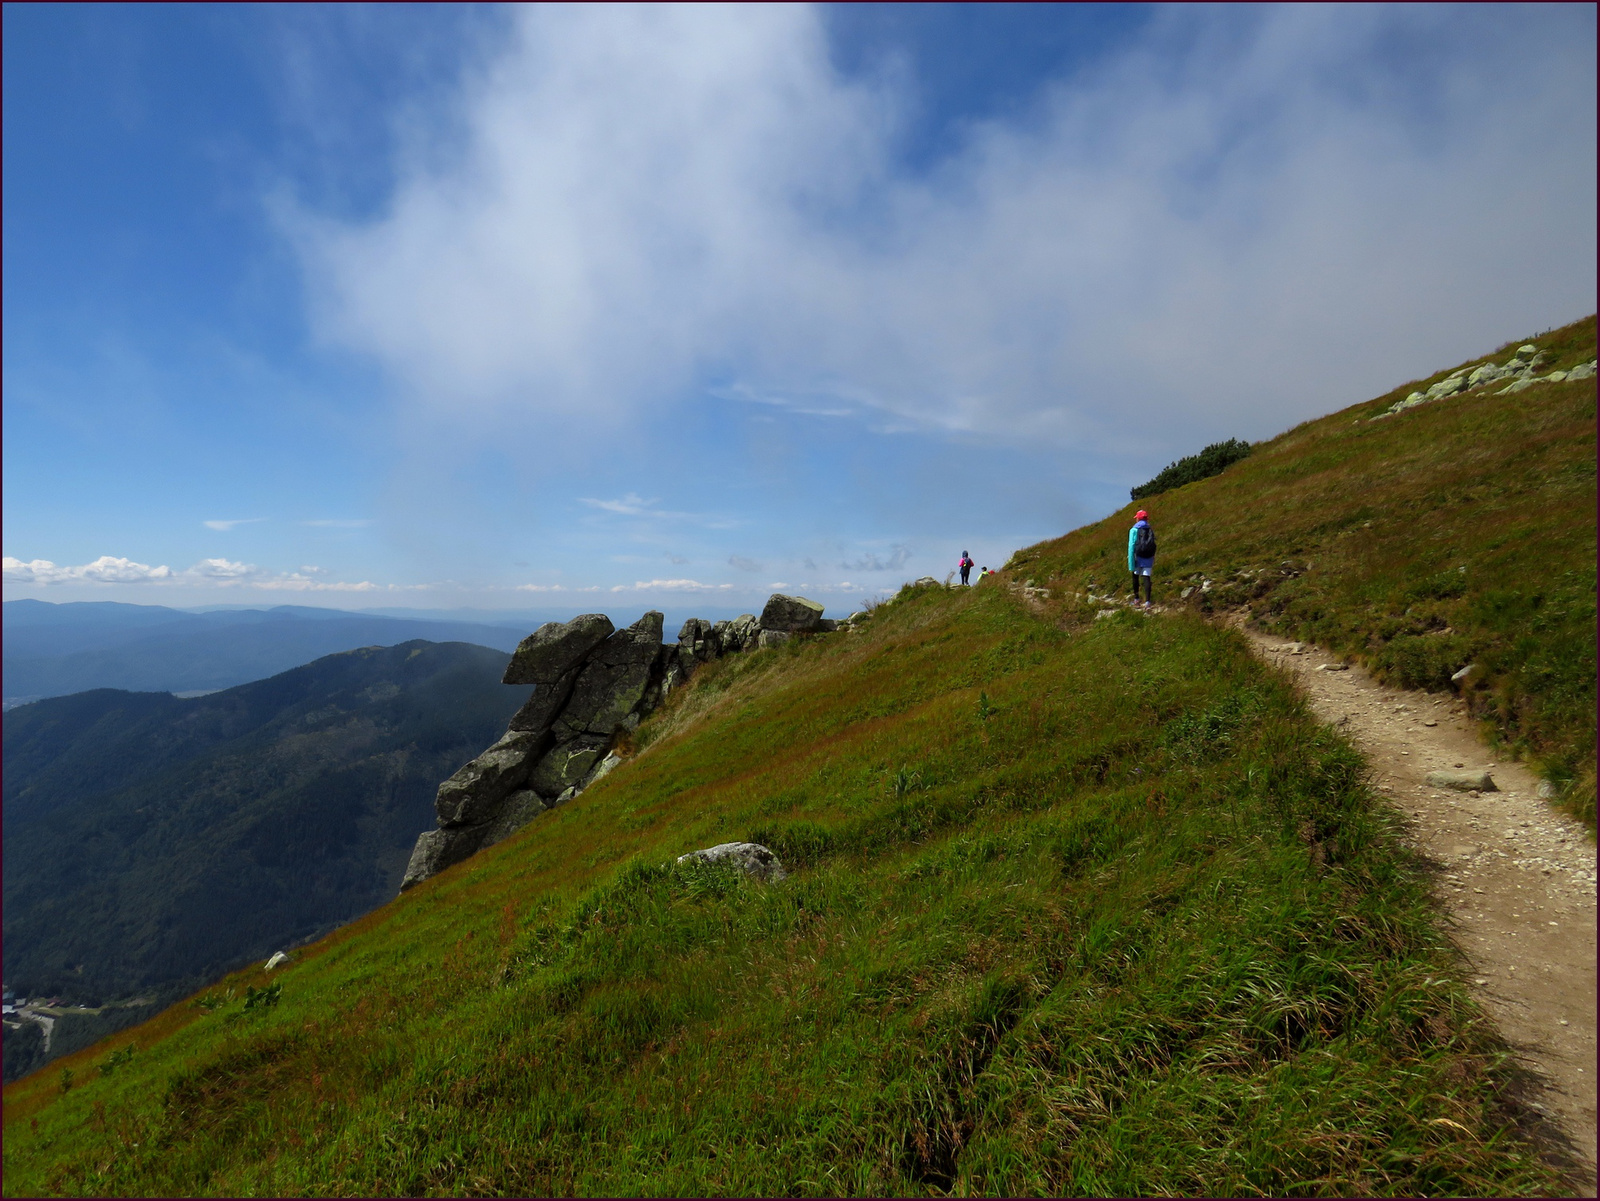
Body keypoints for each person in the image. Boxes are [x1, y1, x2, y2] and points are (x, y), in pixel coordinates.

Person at [1127, 509, 1156, 607]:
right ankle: (1148, 602)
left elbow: (1131, 546)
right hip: (1148, 557)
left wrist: (1131, 562)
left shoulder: (1134, 530)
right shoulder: (1150, 529)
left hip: (1137, 557)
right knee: (1146, 577)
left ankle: (1137, 600)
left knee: (1135, 576)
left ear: (1138, 519)